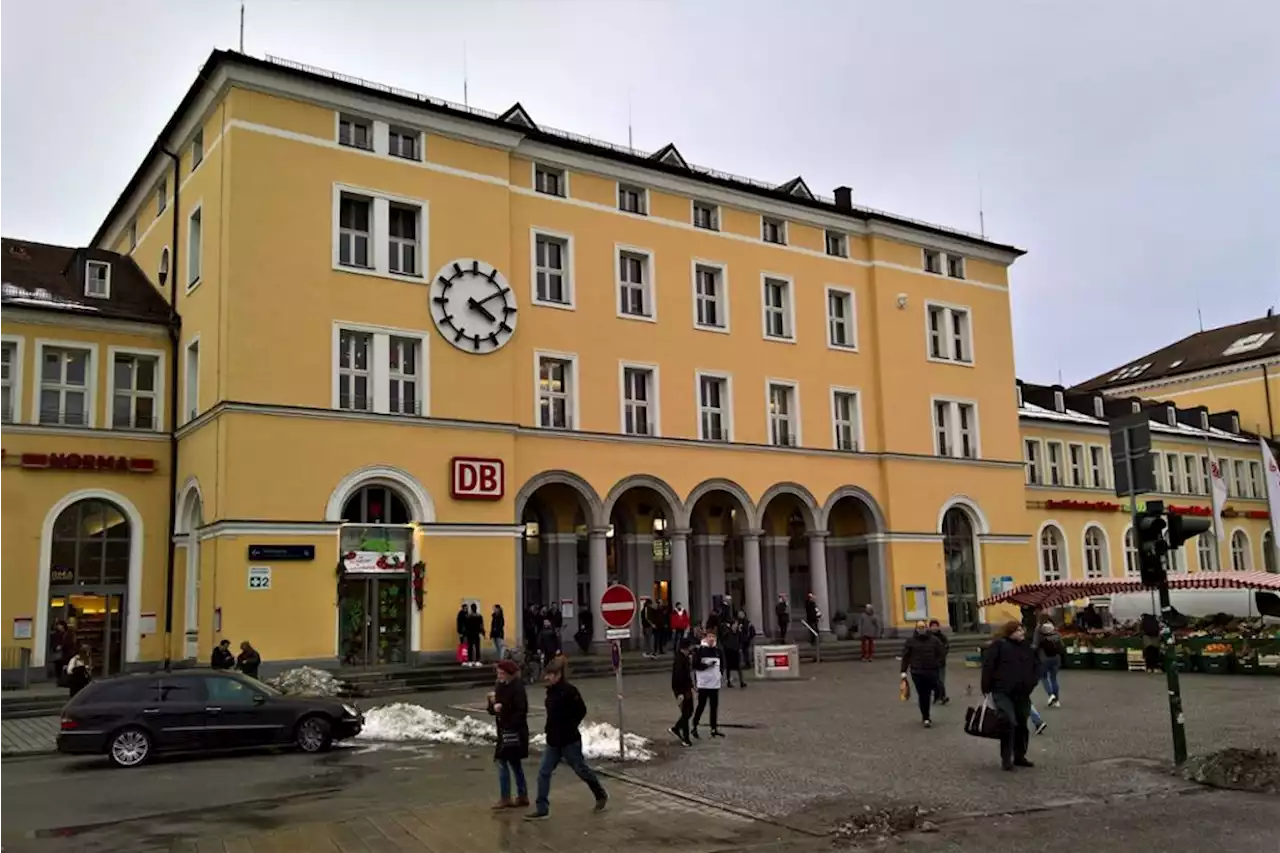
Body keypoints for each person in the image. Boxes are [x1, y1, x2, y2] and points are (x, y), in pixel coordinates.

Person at [525, 656, 608, 820]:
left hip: (570, 740)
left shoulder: (570, 691)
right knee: (543, 772)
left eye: (550, 675)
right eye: (546, 674)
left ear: (558, 675)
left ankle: (600, 794)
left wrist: (570, 725)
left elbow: (581, 710)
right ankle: (542, 809)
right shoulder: (550, 692)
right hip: (553, 741)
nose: (547, 678)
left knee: (580, 769)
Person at [981, 621, 1040, 771]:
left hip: (1022, 692)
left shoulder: (1027, 647)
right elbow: (988, 666)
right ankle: (1006, 758)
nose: (1021, 632)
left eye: (1022, 629)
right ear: (1010, 632)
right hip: (1002, 691)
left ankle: (1019, 755)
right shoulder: (999, 645)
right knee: (1008, 721)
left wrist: (1032, 682)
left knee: (1021, 723)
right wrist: (986, 687)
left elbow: (1036, 666)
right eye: (1018, 630)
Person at [488, 659, 530, 809]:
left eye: (501, 673)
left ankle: (506, 797)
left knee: (503, 761)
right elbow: (493, 708)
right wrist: (493, 706)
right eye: (498, 672)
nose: (499, 675)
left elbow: (521, 710)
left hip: (514, 731)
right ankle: (522, 795)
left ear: (509, 674)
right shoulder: (499, 685)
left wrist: (503, 709)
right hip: (504, 730)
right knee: (513, 763)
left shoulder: (517, 687)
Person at [900, 620, 946, 727]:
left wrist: (937, 663)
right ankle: (926, 717)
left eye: (923, 627)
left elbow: (942, 652)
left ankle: (938, 698)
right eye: (919, 627)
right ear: (916, 629)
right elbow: (905, 657)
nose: (921, 629)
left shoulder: (934, 640)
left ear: (926, 628)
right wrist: (903, 671)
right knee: (923, 695)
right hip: (917, 672)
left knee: (930, 692)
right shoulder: (910, 641)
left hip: (931, 671)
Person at [691, 631, 725, 739]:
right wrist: (706, 665)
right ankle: (694, 726)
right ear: (705, 638)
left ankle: (714, 728)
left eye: (713, 637)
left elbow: (723, 664)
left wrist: (720, 674)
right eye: (709, 637)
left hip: (715, 684)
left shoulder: (718, 650)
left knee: (714, 706)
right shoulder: (700, 650)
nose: (711, 639)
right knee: (701, 705)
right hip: (704, 684)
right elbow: (695, 665)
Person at [669, 637, 696, 747]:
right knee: (686, 713)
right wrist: (679, 693)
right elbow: (677, 678)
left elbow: (687, 676)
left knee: (689, 712)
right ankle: (686, 738)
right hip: (682, 691)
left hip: (687, 689)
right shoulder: (679, 660)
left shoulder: (684, 658)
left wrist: (692, 686)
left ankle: (676, 728)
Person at [1037, 621, 1064, 707]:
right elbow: (1062, 647)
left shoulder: (1042, 638)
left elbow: (1036, 647)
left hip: (1045, 659)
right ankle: (1057, 700)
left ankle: (1051, 695)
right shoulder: (1057, 636)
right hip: (1056, 659)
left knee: (1044, 677)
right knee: (1054, 679)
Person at [928, 619, 951, 704]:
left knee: (940, 680)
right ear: (929, 627)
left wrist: (941, 658)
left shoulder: (942, 637)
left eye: (936, 626)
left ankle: (942, 696)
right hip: (930, 664)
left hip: (941, 663)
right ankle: (937, 696)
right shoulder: (927, 638)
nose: (934, 628)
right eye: (932, 626)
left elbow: (946, 648)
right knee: (934, 681)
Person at [720, 613, 742, 688]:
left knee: (738, 666)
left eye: (737, 624)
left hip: (736, 650)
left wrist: (739, 647)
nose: (736, 626)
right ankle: (728, 681)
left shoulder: (738, 632)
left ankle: (741, 681)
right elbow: (723, 639)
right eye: (735, 624)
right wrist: (725, 646)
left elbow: (739, 640)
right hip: (729, 651)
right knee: (729, 667)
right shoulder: (727, 632)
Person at [735, 610, 756, 689]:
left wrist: (748, 638)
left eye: (741, 614)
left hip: (745, 640)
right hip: (741, 639)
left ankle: (747, 663)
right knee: (743, 652)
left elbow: (751, 631)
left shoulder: (747, 622)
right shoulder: (738, 622)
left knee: (745, 652)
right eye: (739, 614)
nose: (740, 615)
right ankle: (745, 663)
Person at [464, 603, 486, 668]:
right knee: (477, 647)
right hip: (476, 634)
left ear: (471, 609)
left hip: (469, 634)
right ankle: (477, 661)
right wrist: (483, 633)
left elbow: (466, 626)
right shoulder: (479, 616)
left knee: (470, 648)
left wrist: (465, 634)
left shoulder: (467, 616)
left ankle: (470, 661)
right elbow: (481, 626)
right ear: (476, 608)